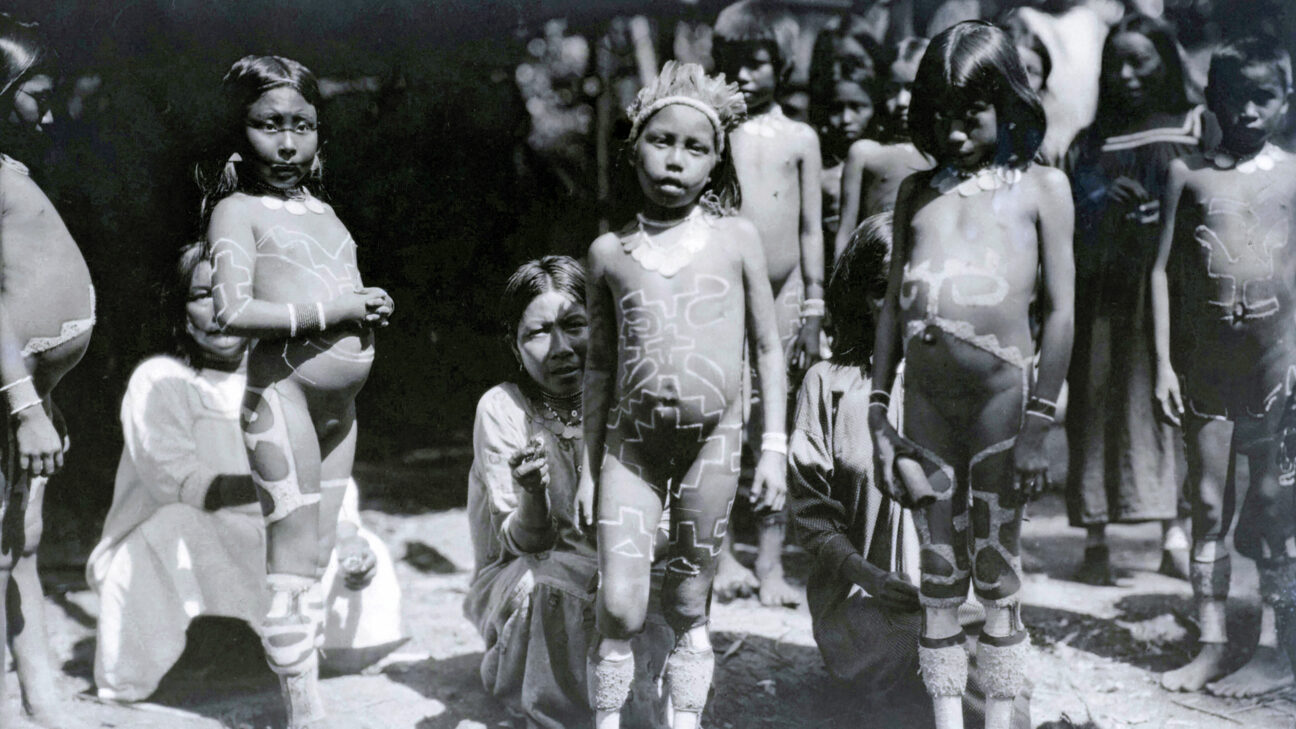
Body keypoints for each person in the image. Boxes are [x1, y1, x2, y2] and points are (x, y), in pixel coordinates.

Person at [868, 21, 1074, 729]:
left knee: (996, 567)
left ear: (1008, 103)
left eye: (970, 114)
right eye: (937, 117)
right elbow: (891, 309)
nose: (952, 133)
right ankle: (948, 719)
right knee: (937, 571)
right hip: (924, 405)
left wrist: (1039, 423)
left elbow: (1061, 312)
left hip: (1001, 405)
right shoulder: (915, 191)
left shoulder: (1042, 187)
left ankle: (1003, 719)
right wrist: (878, 415)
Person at [89, 243, 404, 702]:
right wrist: (284, 490)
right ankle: (144, 672)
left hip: (274, 524)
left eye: (234, 294)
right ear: (180, 312)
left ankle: (326, 652)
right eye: (202, 296)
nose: (220, 310)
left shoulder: (287, 380)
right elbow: (183, 485)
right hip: (193, 530)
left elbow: (327, 464)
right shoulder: (161, 381)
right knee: (170, 529)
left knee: (355, 545)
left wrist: (347, 531)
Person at [582, 61, 786, 729]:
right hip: (630, 445)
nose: (675, 159)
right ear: (633, 147)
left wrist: (774, 447)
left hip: (714, 442)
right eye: (661, 140)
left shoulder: (736, 239)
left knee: (689, 599)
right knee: (620, 605)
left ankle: (685, 720)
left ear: (716, 160)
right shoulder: (609, 253)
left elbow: (767, 348)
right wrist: (588, 470)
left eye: (695, 147)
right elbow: (599, 367)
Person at [203, 55, 395, 729]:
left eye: (302, 126)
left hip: (339, 412)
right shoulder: (236, 211)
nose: (287, 143)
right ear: (238, 132)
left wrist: (369, 305)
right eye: (269, 125)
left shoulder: (326, 210)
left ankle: (307, 691)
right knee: (290, 559)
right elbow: (232, 311)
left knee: (317, 553)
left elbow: (335, 287)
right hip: (281, 399)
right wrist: (337, 311)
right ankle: (303, 712)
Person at [791, 212, 1032, 729]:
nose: (904, 304)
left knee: (1005, 715)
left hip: (964, 609)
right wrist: (869, 576)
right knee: (903, 703)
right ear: (861, 295)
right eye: (885, 289)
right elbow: (811, 516)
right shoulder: (828, 384)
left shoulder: (978, 382)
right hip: (869, 608)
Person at [465, 256, 672, 729]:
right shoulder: (502, 409)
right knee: (549, 586)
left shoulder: (634, 398)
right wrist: (531, 492)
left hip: (634, 559)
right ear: (514, 346)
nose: (560, 348)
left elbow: (671, 519)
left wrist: (628, 562)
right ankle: (555, 712)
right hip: (533, 569)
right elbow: (527, 544)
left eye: (574, 325)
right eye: (538, 333)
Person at [1150, 37, 1296, 696]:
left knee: (1272, 505)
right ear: (1213, 100)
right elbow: (1158, 272)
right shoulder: (1188, 174)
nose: (1249, 111)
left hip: (1277, 366)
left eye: (1264, 96)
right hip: (1206, 364)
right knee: (1208, 504)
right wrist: (1162, 364)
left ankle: (1273, 649)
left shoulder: (1291, 175)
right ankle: (1210, 644)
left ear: (1286, 100)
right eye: (1235, 97)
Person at [1065, 13, 1200, 586]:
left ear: (1166, 61)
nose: (1126, 75)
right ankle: (1096, 539)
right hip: (1104, 294)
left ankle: (1175, 534)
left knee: (1170, 407)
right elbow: (1066, 215)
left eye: (1140, 61)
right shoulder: (1090, 141)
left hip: (1173, 291)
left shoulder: (1195, 126)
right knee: (1096, 405)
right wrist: (1099, 200)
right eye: (1115, 64)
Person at [710, 0, 822, 608]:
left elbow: (810, 227)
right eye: (732, 62)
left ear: (782, 65)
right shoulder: (711, 129)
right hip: (724, 289)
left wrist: (815, 303)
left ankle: (772, 564)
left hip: (784, 294)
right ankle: (723, 555)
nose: (744, 75)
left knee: (772, 424)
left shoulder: (800, 137)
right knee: (725, 417)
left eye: (757, 62)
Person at [0, 14, 94, 728]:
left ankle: (40, 700)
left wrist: (40, 394)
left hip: (25, 389)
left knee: (20, 543)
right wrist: (26, 405)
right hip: (14, 392)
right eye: (39, 96)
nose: (51, 112)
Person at [832, 38, 934, 262]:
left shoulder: (941, 154)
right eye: (892, 90)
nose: (901, 101)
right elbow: (846, 232)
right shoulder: (865, 153)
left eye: (912, 88)